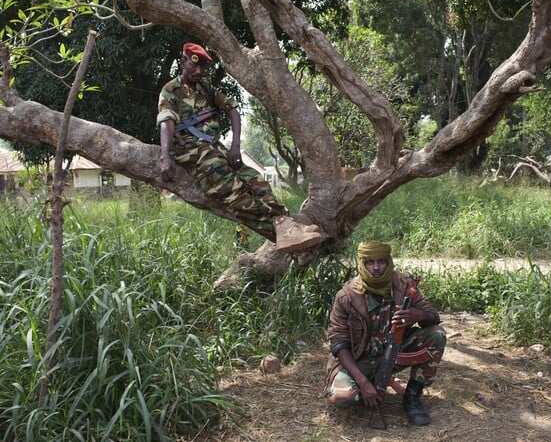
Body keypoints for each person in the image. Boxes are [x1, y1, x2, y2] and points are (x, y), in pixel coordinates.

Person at [157, 42, 321, 252]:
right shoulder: (171, 90)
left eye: (202, 67)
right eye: (194, 65)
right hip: (190, 152)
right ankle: (283, 227)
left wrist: (235, 147)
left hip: (215, 147)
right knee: (234, 190)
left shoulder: (206, 87)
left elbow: (232, 108)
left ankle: (288, 224)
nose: (198, 71)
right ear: (183, 62)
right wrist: (165, 157)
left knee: (256, 180)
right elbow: (166, 121)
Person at [325, 240, 446, 426]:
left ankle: (412, 396)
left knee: (437, 334)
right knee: (342, 398)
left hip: (395, 352)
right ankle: (367, 388)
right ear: (362, 263)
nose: (376, 267)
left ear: (388, 261)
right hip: (360, 359)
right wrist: (363, 383)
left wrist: (417, 315)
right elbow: (338, 344)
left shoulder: (403, 285)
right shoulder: (347, 296)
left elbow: (432, 316)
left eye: (381, 261)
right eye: (370, 262)